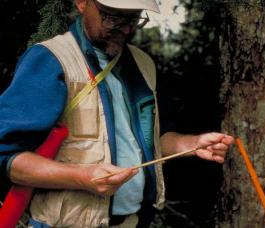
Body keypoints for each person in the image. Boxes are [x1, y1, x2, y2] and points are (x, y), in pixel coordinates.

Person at [0, 0, 234, 227]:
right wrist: (81, 177)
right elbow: (8, 157)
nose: (125, 27)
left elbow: (149, 143)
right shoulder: (51, 60)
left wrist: (192, 143)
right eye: (113, 16)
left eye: (133, 18)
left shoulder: (143, 65)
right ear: (82, 3)